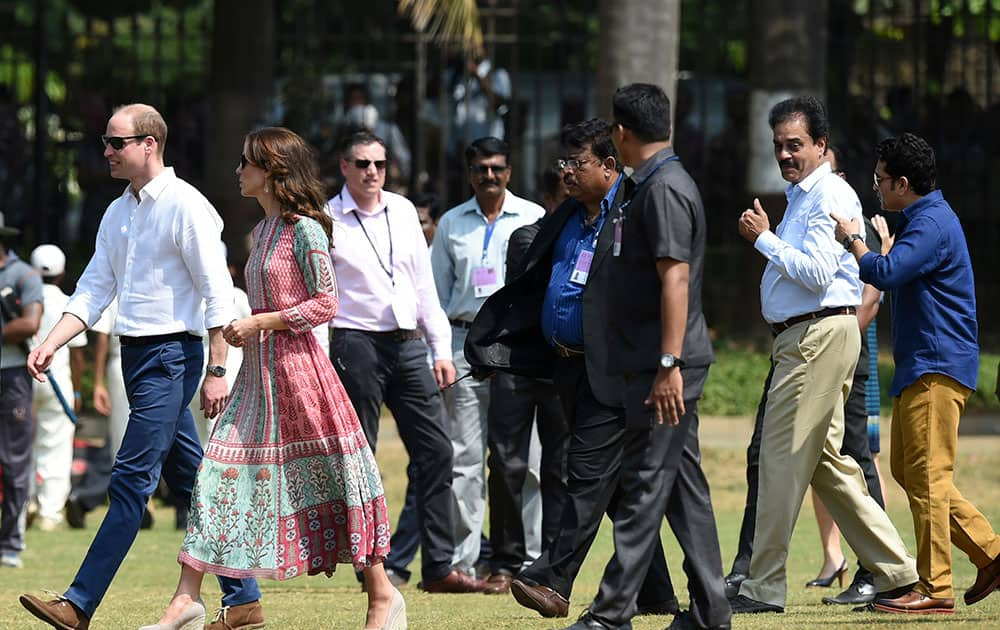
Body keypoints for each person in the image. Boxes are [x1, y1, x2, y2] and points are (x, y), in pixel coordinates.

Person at [147, 126, 404, 630]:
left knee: (334, 478)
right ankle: (188, 598)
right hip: (257, 379)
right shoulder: (260, 233)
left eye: (247, 162)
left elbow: (326, 303)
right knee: (216, 476)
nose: (238, 170)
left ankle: (381, 594)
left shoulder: (306, 227)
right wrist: (244, 335)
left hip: (303, 375)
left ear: (272, 171)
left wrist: (260, 322)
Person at [18, 103, 263, 630]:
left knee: (130, 481)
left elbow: (217, 293)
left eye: (115, 142)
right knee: (194, 482)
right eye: (106, 141)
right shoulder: (117, 211)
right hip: (137, 356)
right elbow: (94, 289)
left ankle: (79, 603)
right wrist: (53, 342)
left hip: (173, 356)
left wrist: (218, 368)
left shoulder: (187, 206)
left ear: (149, 144)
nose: (105, 151)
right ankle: (243, 598)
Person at [466, 117, 679, 620]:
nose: (565, 172)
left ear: (608, 165)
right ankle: (656, 593)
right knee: (620, 489)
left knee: (583, 473)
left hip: (617, 369)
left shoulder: (632, 211)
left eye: (575, 163)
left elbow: (662, 286)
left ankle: (553, 579)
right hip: (566, 368)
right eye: (563, 163)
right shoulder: (567, 216)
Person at [730, 95, 917, 616]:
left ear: (821, 146)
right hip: (809, 338)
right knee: (828, 465)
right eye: (779, 147)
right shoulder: (801, 196)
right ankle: (897, 571)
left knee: (781, 458)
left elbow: (815, 273)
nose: (786, 155)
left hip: (816, 338)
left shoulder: (829, 192)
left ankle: (762, 586)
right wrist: (772, 234)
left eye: (796, 145)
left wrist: (764, 239)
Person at [555, 84, 729, 630]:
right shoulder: (647, 184)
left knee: (647, 484)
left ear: (623, 133)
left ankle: (609, 615)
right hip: (650, 364)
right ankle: (711, 611)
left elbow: (674, 277)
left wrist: (669, 365)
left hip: (664, 367)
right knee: (683, 491)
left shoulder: (665, 190)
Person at [833, 132, 1000, 614]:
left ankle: (936, 589)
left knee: (928, 477)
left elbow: (884, 274)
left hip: (937, 364)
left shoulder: (931, 223)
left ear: (904, 183)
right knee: (911, 471)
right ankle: (990, 552)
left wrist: (853, 241)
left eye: (881, 179)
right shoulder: (922, 220)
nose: (876, 187)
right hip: (919, 366)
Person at [325, 131, 482, 593]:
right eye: (361, 163)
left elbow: (424, 286)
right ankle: (370, 564)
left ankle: (439, 566)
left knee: (437, 451)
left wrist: (441, 350)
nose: (371, 171)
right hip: (356, 342)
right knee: (362, 457)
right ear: (344, 166)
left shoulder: (402, 211)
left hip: (410, 342)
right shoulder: (328, 218)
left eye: (379, 163)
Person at [430, 136, 545, 580]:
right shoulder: (452, 225)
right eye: (481, 169)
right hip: (463, 346)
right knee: (465, 459)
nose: (490, 176)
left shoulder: (533, 217)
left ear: (509, 172)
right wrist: (436, 353)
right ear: (470, 173)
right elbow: (436, 296)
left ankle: (532, 560)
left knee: (526, 460)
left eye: (498, 168)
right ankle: (464, 562)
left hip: (517, 348)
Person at [28, 244, 86, 532]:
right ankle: (49, 512)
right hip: (57, 381)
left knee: (22, 443)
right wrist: (77, 392)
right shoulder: (69, 302)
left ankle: (26, 501)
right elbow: (77, 355)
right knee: (58, 446)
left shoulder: (21, 301)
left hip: (23, 378)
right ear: (62, 274)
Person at [0, 213, 43, 569]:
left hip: (12, 375)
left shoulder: (23, 275)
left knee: (14, 463)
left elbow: (31, 322)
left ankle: (11, 542)